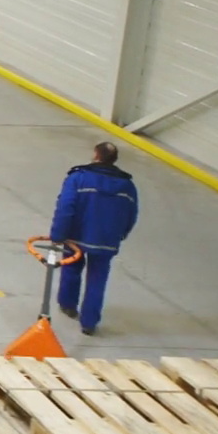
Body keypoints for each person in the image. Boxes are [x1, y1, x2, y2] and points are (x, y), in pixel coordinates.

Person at [49, 142, 139, 335]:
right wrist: (121, 234)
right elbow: (131, 214)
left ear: (96, 155)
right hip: (107, 240)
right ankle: (89, 323)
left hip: (77, 235)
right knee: (98, 279)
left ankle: (68, 305)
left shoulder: (78, 178)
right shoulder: (127, 185)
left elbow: (65, 207)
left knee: (71, 268)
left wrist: (57, 235)